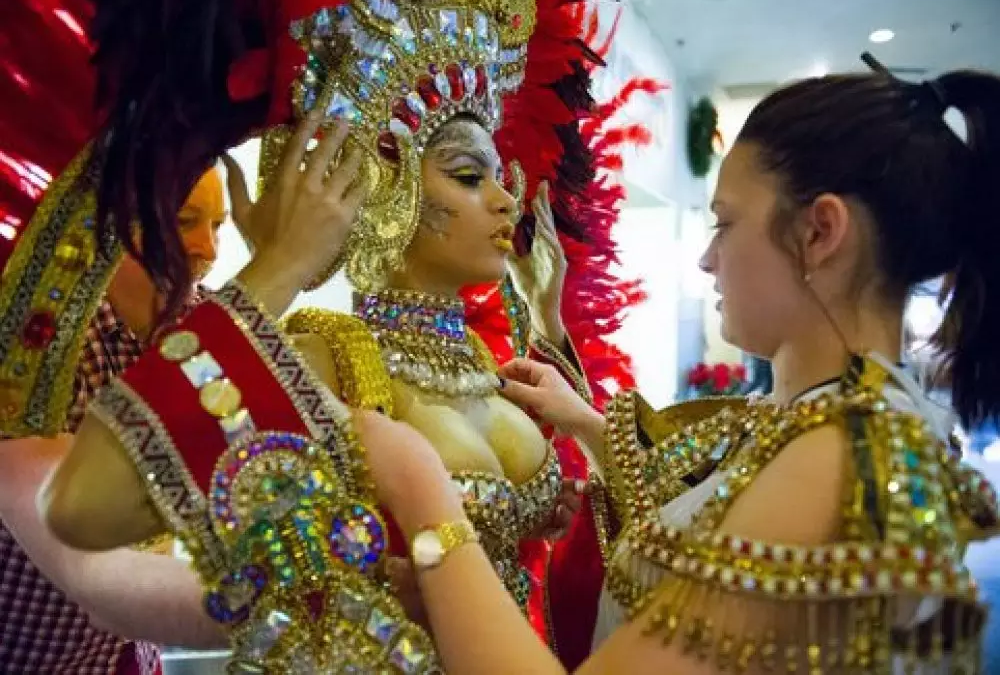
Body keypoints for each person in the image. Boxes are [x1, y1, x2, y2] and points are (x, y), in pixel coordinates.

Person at [24, 0, 658, 668]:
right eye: (469, 176)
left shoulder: (486, 364)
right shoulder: (331, 359)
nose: (506, 200)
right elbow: (89, 506)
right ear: (387, 188)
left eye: (499, 176)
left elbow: (602, 548)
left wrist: (549, 328)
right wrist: (279, 266)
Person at [346, 60, 1000, 674]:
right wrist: (569, 392)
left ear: (820, 232)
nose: (708, 260)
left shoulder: (848, 454)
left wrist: (427, 502)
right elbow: (681, 519)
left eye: (725, 223)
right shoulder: (821, 419)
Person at [0, 167, 226, 674]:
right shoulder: (41, 345)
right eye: (186, 221)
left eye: (219, 226)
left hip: (126, 656)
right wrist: (298, 604)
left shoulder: (196, 322)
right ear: (115, 223)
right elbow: (98, 575)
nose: (208, 249)